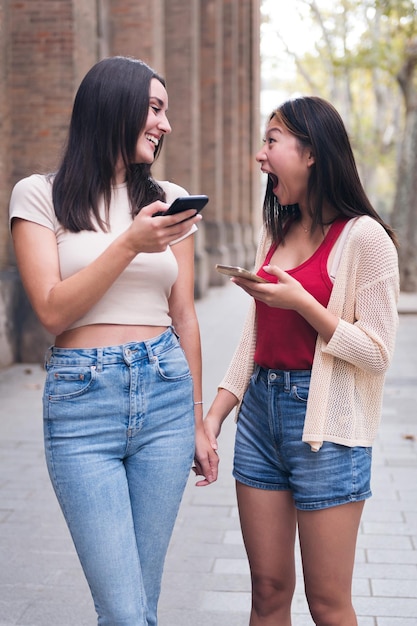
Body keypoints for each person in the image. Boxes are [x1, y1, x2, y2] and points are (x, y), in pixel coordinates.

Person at [9, 56, 217, 626]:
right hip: (83, 403)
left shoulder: (170, 200)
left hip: (166, 394)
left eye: (166, 112)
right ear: (113, 106)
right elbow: (52, 310)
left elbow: (186, 317)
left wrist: (199, 421)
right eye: (154, 108)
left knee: (140, 607)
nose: (165, 124)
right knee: (125, 613)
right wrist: (129, 242)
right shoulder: (38, 196)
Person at [200, 96, 400, 625]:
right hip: (260, 418)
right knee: (267, 591)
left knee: (327, 604)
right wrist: (215, 416)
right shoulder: (278, 231)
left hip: (326, 429)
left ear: (310, 153)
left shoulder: (366, 238)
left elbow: (377, 354)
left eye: (271, 141)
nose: (260, 156)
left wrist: (304, 305)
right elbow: (253, 339)